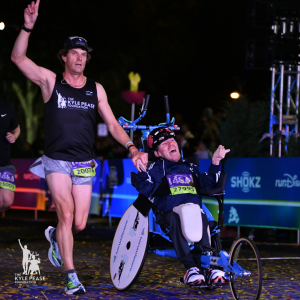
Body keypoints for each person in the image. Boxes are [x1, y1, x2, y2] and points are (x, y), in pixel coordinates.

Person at [11, 0, 147, 295]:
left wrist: (132, 148)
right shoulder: (50, 82)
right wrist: (27, 26)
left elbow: (112, 124)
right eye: (74, 53)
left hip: (84, 163)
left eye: (84, 54)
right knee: (67, 216)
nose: (80, 58)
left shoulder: (95, 89)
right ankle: (71, 276)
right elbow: (18, 58)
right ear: (64, 56)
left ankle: (55, 239)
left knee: (81, 223)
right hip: (56, 160)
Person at [135, 127, 230, 286]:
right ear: (157, 153)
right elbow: (145, 188)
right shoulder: (157, 168)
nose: (171, 143)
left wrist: (215, 162)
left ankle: (209, 266)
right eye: (164, 143)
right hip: (169, 216)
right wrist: (142, 171)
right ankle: (191, 268)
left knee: (201, 214)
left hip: (195, 212)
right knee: (178, 216)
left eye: (172, 140)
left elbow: (208, 184)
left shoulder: (189, 166)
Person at [0, 98, 20, 213]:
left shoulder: (7, 106)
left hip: (5, 164)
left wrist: (14, 137)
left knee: (7, 201)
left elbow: (16, 129)